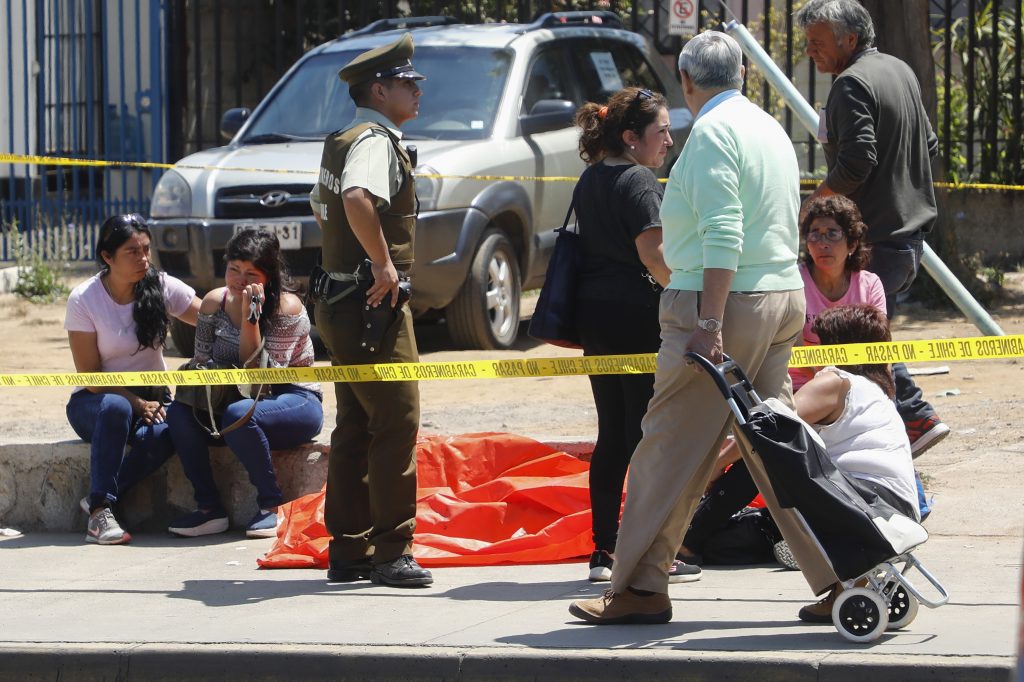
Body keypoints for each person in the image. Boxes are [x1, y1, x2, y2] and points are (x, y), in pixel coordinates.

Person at [569, 31, 808, 625]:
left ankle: (638, 588)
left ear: (686, 81)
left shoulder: (712, 135)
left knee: (667, 452)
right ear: (745, 75)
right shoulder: (768, 128)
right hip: (779, 296)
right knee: (779, 451)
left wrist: (708, 322)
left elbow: (723, 234)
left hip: (721, 305)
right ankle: (842, 569)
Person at [796, 0, 949, 457]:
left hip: (878, 235)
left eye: (817, 43)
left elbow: (858, 159)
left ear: (849, 39)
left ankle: (915, 417)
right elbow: (930, 142)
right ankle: (902, 423)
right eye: (806, 43)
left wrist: (817, 204)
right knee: (866, 337)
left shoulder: (850, 84)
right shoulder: (898, 70)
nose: (810, 52)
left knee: (862, 340)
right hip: (911, 234)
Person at [310, 33, 432, 587]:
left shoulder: (341, 138)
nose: (417, 91)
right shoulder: (376, 140)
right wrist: (382, 266)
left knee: (356, 425)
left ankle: (351, 549)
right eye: (408, 83)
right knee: (397, 420)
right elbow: (357, 199)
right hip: (371, 305)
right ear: (379, 90)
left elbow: (323, 209)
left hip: (341, 302)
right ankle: (391, 550)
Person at [572, 87, 699, 585]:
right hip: (636, 317)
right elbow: (653, 254)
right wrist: (690, 302)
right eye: (661, 131)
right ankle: (646, 551)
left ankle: (604, 550)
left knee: (614, 435)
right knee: (651, 435)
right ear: (631, 137)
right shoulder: (639, 180)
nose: (669, 140)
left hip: (596, 317)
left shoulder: (591, 179)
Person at [165, 229, 323, 539]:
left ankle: (271, 505)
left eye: (251, 273)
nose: (239, 279)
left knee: (239, 414)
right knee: (180, 414)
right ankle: (209, 509)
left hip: (293, 398)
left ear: (269, 276)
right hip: (229, 400)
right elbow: (202, 362)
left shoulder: (286, 308)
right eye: (233, 269)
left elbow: (261, 381)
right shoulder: (213, 302)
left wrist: (252, 319)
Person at [65, 214, 201, 545]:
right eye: (132, 252)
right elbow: (93, 379)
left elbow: (208, 317)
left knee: (172, 427)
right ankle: (99, 515)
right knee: (115, 408)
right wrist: (137, 403)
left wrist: (245, 311)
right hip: (98, 401)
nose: (143, 259)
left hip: (152, 398)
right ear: (107, 257)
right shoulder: (84, 299)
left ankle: (101, 499)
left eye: (146, 249)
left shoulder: (161, 285)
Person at [793, 303, 920, 622]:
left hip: (869, 505)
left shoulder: (835, 381)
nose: (813, 353)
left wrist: (715, 463)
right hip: (901, 506)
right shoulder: (876, 388)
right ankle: (842, 585)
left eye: (820, 345)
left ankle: (849, 584)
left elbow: (774, 422)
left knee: (786, 477)